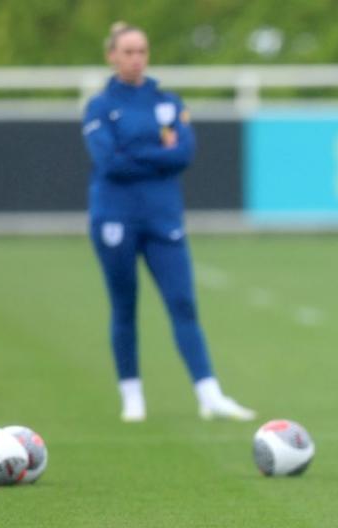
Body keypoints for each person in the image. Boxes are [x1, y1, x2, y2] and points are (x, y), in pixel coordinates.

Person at [81, 22, 255, 423]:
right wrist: (157, 152)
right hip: (114, 216)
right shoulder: (99, 106)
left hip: (163, 216)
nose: (136, 58)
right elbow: (108, 161)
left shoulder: (168, 102)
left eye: (141, 50)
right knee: (124, 305)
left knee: (182, 302)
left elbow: (184, 154)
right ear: (112, 56)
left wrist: (135, 152)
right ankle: (133, 397)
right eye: (127, 51)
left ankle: (209, 394)